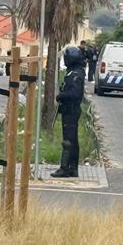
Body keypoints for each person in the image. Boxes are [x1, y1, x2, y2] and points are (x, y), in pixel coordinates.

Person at [52, 46, 86, 178]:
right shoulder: (74, 72)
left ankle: (65, 168)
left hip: (71, 110)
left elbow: (75, 93)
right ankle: (73, 168)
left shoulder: (76, 74)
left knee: (68, 141)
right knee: (72, 140)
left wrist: (62, 95)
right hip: (69, 110)